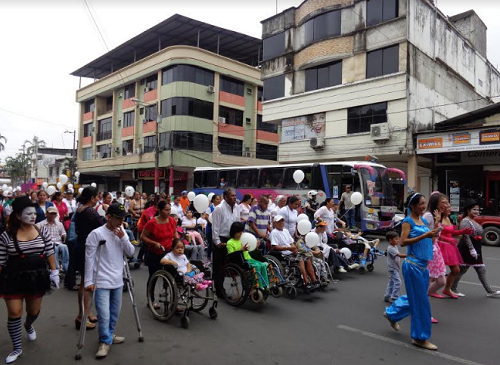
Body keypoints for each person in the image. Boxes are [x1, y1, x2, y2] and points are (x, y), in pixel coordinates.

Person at [0, 196, 59, 364]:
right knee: (14, 312)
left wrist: (54, 271)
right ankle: (17, 348)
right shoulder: (6, 235)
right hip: (12, 277)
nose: (33, 216)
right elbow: (1, 259)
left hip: (37, 276)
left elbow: (49, 251)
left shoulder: (42, 230)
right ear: (18, 216)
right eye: (29, 213)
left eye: (35, 213)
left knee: (33, 312)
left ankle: (28, 324)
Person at [383, 193, 439, 351]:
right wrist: (426, 234)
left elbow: (430, 241)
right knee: (422, 302)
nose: (423, 206)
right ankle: (419, 337)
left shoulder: (422, 221)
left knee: (416, 297)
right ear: (412, 205)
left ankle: (392, 313)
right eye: (420, 204)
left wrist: (434, 229)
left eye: (424, 203)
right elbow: (402, 242)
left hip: (423, 266)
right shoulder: (408, 221)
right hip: (413, 265)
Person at [84, 203, 135, 359]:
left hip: (117, 279)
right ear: (108, 217)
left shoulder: (123, 233)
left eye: (123, 218)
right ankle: (104, 341)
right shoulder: (96, 234)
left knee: (114, 313)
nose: (121, 221)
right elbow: (89, 258)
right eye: (118, 218)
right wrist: (88, 281)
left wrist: (123, 239)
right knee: (104, 314)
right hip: (101, 280)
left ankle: (109, 335)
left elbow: (131, 253)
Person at [451, 200, 500, 297]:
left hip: (476, 247)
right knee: (464, 269)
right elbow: (466, 236)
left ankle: (489, 291)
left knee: (476, 269)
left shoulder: (473, 220)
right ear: (468, 210)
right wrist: (471, 249)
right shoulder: (465, 221)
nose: (477, 212)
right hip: (467, 248)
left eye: (478, 210)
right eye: (474, 210)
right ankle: (452, 287)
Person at [74, 187, 106, 331]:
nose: (98, 200)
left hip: (81, 245)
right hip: (87, 248)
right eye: (96, 197)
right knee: (86, 283)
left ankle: (86, 312)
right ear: (92, 198)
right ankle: (82, 316)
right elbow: (102, 224)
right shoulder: (89, 211)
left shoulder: (81, 209)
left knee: (85, 281)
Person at [141, 201, 178, 306]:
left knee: (173, 276)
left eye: (169, 210)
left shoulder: (171, 221)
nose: (168, 212)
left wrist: (178, 244)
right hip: (155, 253)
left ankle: (173, 301)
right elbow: (143, 237)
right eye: (166, 210)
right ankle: (151, 300)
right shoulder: (152, 223)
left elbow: (175, 233)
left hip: (169, 253)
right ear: (160, 210)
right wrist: (154, 243)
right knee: (154, 276)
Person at [269, 215, 318, 294]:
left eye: (282, 221)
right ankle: (306, 282)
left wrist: (293, 247)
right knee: (301, 260)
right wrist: (288, 248)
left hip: (291, 251)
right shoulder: (274, 232)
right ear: (274, 223)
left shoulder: (285, 231)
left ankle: (314, 280)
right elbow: (274, 247)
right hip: (283, 254)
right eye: (279, 221)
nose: (281, 223)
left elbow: (292, 242)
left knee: (307, 259)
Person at [436, 202, 472, 299]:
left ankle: (447, 289)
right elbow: (436, 235)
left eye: (449, 207)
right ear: (441, 209)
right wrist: (447, 239)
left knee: (456, 270)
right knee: (437, 270)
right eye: (447, 207)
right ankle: (431, 289)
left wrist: (463, 231)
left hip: (450, 247)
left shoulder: (449, 218)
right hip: (441, 246)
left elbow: (452, 232)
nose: (449, 209)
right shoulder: (438, 220)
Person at [211, 188, 240, 297]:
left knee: (230, 264)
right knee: (219, 266)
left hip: (232, 239)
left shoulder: (237, 207)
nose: (234, 197)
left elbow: (237, 222)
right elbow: (215, 228)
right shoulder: (219, 209)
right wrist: (217, 242)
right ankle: (218, 289)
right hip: (221, 239)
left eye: (235, 195)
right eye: (232, 196)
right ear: (226, 197)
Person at [227, 222, 269, 290]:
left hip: (249, 259)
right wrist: (241, 250)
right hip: (241, 261)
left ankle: (265, 284)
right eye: (238, 232)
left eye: (241, 232)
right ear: (234, 232)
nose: (241, 234)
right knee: (257, 266)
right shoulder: (230, 242)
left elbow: (250, 248)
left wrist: (255, 245)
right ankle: (258, 285)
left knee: (263, 265)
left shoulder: (243, 239)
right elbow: (232, 255)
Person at [423, 192, 448, 299]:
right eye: (443, 203)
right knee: (428, 280)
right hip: (428, 250)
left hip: (435, 250)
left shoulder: (437, 216)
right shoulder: (428, 216)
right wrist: (437, 223)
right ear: (436, 203)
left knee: (441, 281)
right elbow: (426, 236)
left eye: (447, 203)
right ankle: (420, 304)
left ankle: (420, 299)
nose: (446, 205)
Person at [37, 207, 68, 272]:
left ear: (56, 215)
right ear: (46, 214)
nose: (52, 215)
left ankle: (66, 267)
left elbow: (63, 233)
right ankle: (56, 269)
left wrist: (64, 236)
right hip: (47, 244)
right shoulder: (41, 224)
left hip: (58, 243)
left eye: (54, 214)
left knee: (64, 247)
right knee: (54, 248)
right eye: (51, 213)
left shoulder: (59, 224)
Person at [384, 231, 406, 303]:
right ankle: (394, 297)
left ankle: (387, 296)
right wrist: (409, 255)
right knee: (398, 282)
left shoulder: (394, 246)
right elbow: (399, 255)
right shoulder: (391, 248)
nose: (398, 240)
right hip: (392, 268)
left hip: (394, 267)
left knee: (391, 282)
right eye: (396, 239)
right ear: (390, 240)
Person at [205, 194, 221, 261]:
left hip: (219, 229)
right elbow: (206, 216)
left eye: (219, 199)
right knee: (211, 244)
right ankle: (208, 257)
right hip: (210, 228)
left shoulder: (221, 208)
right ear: (213, 200)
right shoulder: (210, 208)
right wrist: (211, 223)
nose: (219, 201)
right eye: (217, 199)